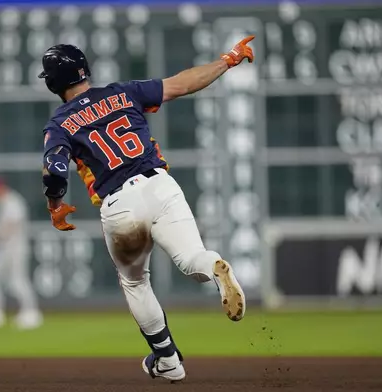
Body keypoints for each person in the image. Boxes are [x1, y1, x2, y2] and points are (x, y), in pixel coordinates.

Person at [39, 37, 254, 381]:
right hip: (160, 184)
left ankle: (167, 358)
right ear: (85, 69)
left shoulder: (59, 124)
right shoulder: (123, 93)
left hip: (119, 203)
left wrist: (55, 205)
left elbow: (55, 173)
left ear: (51, 82)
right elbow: (182, 84)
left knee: (135, 281)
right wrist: (227, 60)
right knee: (191, 258)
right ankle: (214, 268)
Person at [0, 177, 43, 330]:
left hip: (15, 248)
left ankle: (31, 312)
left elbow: (12, 226)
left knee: (16, 280)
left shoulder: (13, 201)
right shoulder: (5, 202)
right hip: (5, 247)